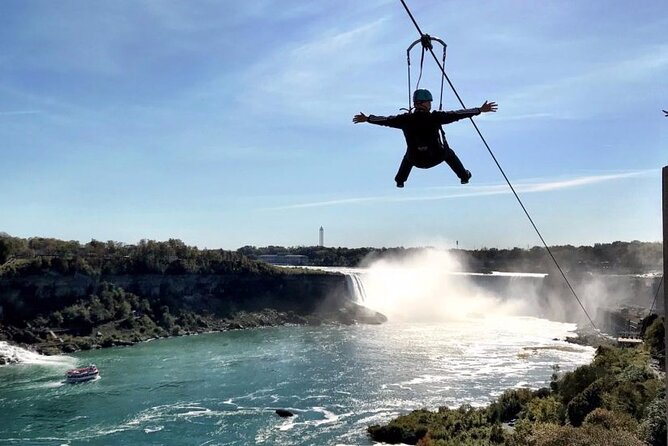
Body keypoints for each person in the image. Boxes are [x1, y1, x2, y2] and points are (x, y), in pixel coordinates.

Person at [353, 89, 497, 187]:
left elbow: (385, 120)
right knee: (449, 153)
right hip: (436, 156)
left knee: (408, 155)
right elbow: (457, 114)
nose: (430, 104)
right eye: (429, 102)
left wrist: (367, 118)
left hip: (416, 159)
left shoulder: (405, 119)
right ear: (423, 103)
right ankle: (464, 176)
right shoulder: (435, 117)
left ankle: (400, 181)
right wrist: (479, 110)